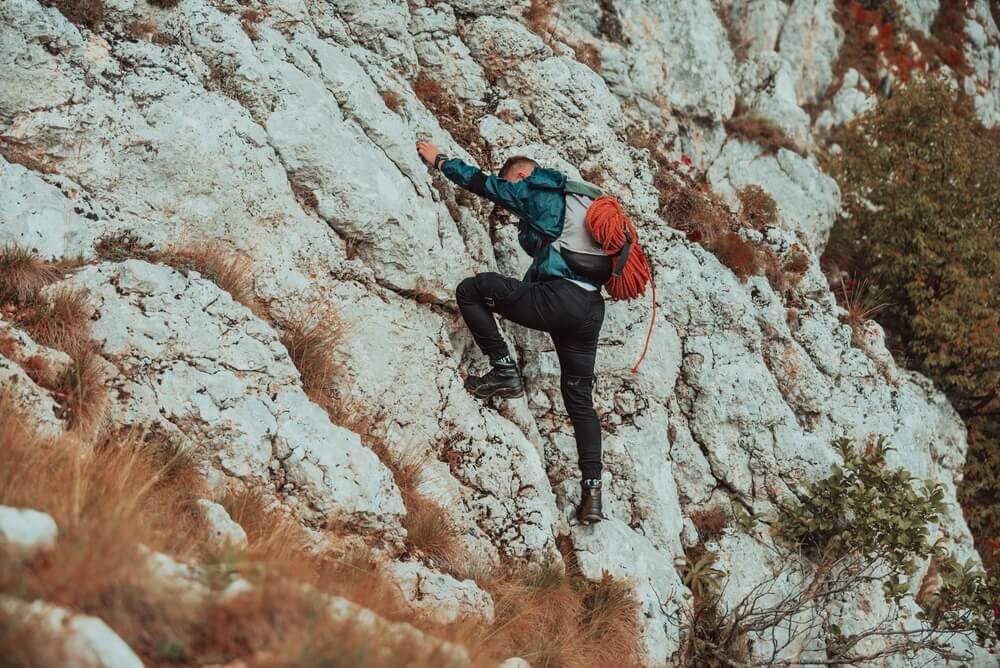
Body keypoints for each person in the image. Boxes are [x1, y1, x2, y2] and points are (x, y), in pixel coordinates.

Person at [416, 140, 611, 524]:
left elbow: (489, 186)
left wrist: (441, 161)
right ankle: (593, 493)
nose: (514, 192)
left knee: (472, 290)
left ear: (522, 175)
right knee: (579, 401)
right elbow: (537, 248)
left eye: (515, 183)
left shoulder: (538, 188)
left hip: (560, 300)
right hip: (590, 311)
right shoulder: (579, 203)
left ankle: (504, 370)